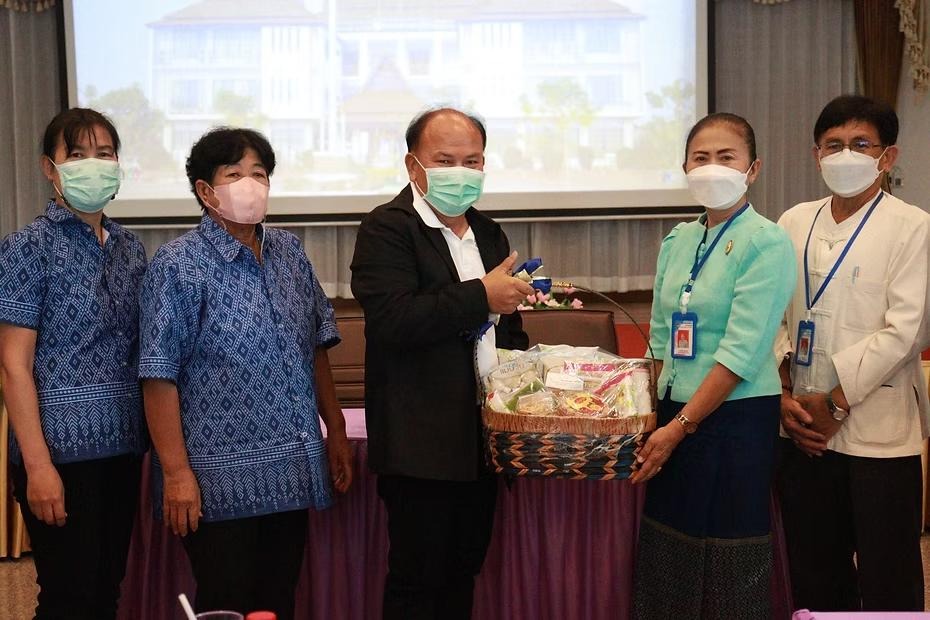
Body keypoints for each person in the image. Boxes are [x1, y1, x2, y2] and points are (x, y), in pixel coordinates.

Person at [138, 127, 352, 619]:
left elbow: (316, 347)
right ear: (205, 190)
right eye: (234, 174)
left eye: (259, 173)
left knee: (276, 601)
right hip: (214, 478)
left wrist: (336, 430)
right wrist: (176, 474)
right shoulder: (177, 265)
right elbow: (157, 375)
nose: (250, 184)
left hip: (290, 470)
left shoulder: (289, 252)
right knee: (226, 602)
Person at [350, 107, 532, 619]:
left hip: (481, 440)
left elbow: (507, 325)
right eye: (445, 161)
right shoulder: (387, 228)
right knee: (418, 582)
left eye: (471, 161)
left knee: (462, 574)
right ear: (414, 166)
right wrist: (481, 295)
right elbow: (394, 319)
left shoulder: (489, 232)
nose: (461, 172)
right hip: (420, 446)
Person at [632, 113, 797, 619]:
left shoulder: (766, 242)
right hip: (673, 412)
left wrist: (679, 427)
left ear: (753, 169)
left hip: (735, 417)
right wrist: (651, 411)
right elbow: (661, 335)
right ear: (685, 167)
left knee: (727, 552)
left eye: (727, 157)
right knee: (669, 543)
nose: (712, 167)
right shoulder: (678, 239)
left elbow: (741, 351)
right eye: (700, 158)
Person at [776, 95, 929, 612]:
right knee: (814, 570)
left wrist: (835, 403)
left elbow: (906, 330)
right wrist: (784, 391)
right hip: (801, 425)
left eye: (861, 144)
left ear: (888, 157)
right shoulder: (793, 221)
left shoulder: (913, 225)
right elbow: (773, 314)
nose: (845, 155)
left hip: (876, 429)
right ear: (816, 155)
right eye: (833, 144)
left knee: (890, 575)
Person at [0, 108, 147, 619]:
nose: (94, 165)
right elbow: (13, 366)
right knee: (68, 597)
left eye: (104, 155)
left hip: (123, 448)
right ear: (50, 168)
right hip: (58, 454)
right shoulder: (27, 248)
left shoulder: (131, 248)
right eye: (78, 154)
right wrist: (38, 466)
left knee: (107, 591)